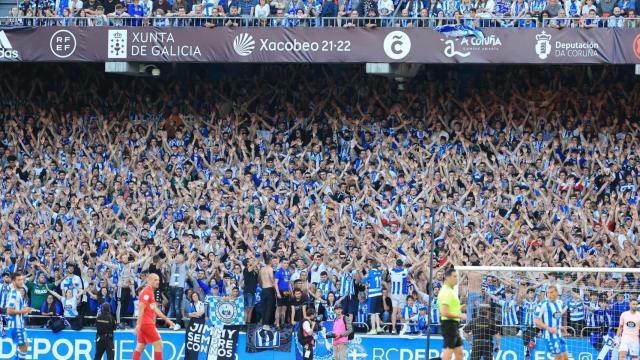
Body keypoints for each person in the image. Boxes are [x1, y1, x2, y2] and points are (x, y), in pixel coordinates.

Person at [132, 273, 176, 360]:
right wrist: (138, 324)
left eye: (158, 280)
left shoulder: (151, 292)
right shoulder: (146, 292)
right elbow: (141, 309)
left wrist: (167, 320)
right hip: (146, 323)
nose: (158, 282)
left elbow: (155, 309)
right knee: (159, 344)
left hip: (145, 323)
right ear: (149, 280)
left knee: (141, 346)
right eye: (155, 280)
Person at [438, 268, 466, 360]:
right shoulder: (446, 292)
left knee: (459, 354)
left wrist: (462, 307)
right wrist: (461, 315)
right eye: (454, 276)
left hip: (454, 325)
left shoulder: (451, 291)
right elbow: (444, 312)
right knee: (448, 354)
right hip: (449, 325)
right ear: (447, 278)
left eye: (457, 276)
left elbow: (452, 309)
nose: (456, 278)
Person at [535, 285, 568, 360]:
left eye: (551, 292)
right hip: (550, 336)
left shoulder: (560, 303)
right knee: (559, 356)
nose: (549, 295)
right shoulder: (543, 304)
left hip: (559, 335)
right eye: (548, 293)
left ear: (557, 293)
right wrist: (548, 328)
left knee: (565, 358)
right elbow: (536, 320)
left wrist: (560, 326)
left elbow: (557, 315)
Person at [6, 273, 32, 360]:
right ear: (13, 281)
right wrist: (24, 311)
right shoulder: (14, 293)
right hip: (16, 325)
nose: (21, 282)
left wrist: (24, 309)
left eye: (22, 279)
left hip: (19, 324)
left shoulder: (17, 292)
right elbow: (9, 310)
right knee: (23, 347)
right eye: (19, 280)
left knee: (25, 345)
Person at [259, 256, 280, 330]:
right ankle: (266, 324)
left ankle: (264, 323)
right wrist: (277, 292)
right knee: (269, 307)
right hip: (270, 289)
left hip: (263, 289)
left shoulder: (261, 269)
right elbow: (273, 281)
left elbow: (260, 280)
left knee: (264, 307)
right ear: (270, 261)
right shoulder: (270, 269)